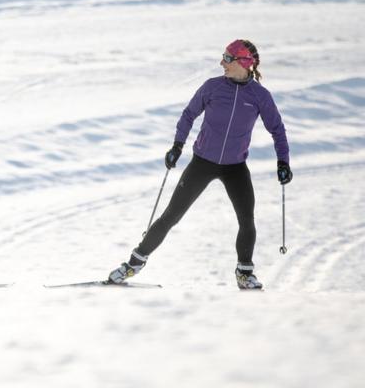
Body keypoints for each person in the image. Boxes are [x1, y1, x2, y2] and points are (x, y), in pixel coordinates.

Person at [108, 40, 292, 290]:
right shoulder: (213, 87)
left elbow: (277, 130)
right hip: (202, 163)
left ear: (244, 63)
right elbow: (188, 114)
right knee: (171, 216)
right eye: (223, 57)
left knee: (247, 220)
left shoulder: (260, 96)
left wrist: (283, 161)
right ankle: (133, 264)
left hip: (235, 167)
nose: (222, 63)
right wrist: (177, 146)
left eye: (228, 58)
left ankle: (245, 273)